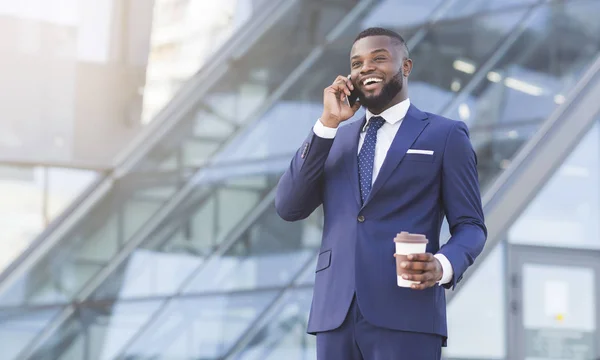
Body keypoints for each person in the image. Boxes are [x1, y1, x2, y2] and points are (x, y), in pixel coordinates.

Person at [275, 27, 487, 359]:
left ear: (406, 66)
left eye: (379, 58)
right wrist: (327, 123)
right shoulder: (335, 139)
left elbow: (471, 225)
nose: (366, 68)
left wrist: (442, 264)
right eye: (356, 63)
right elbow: (288, 206)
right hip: (335, 315)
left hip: (407, 314)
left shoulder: (445, 135)